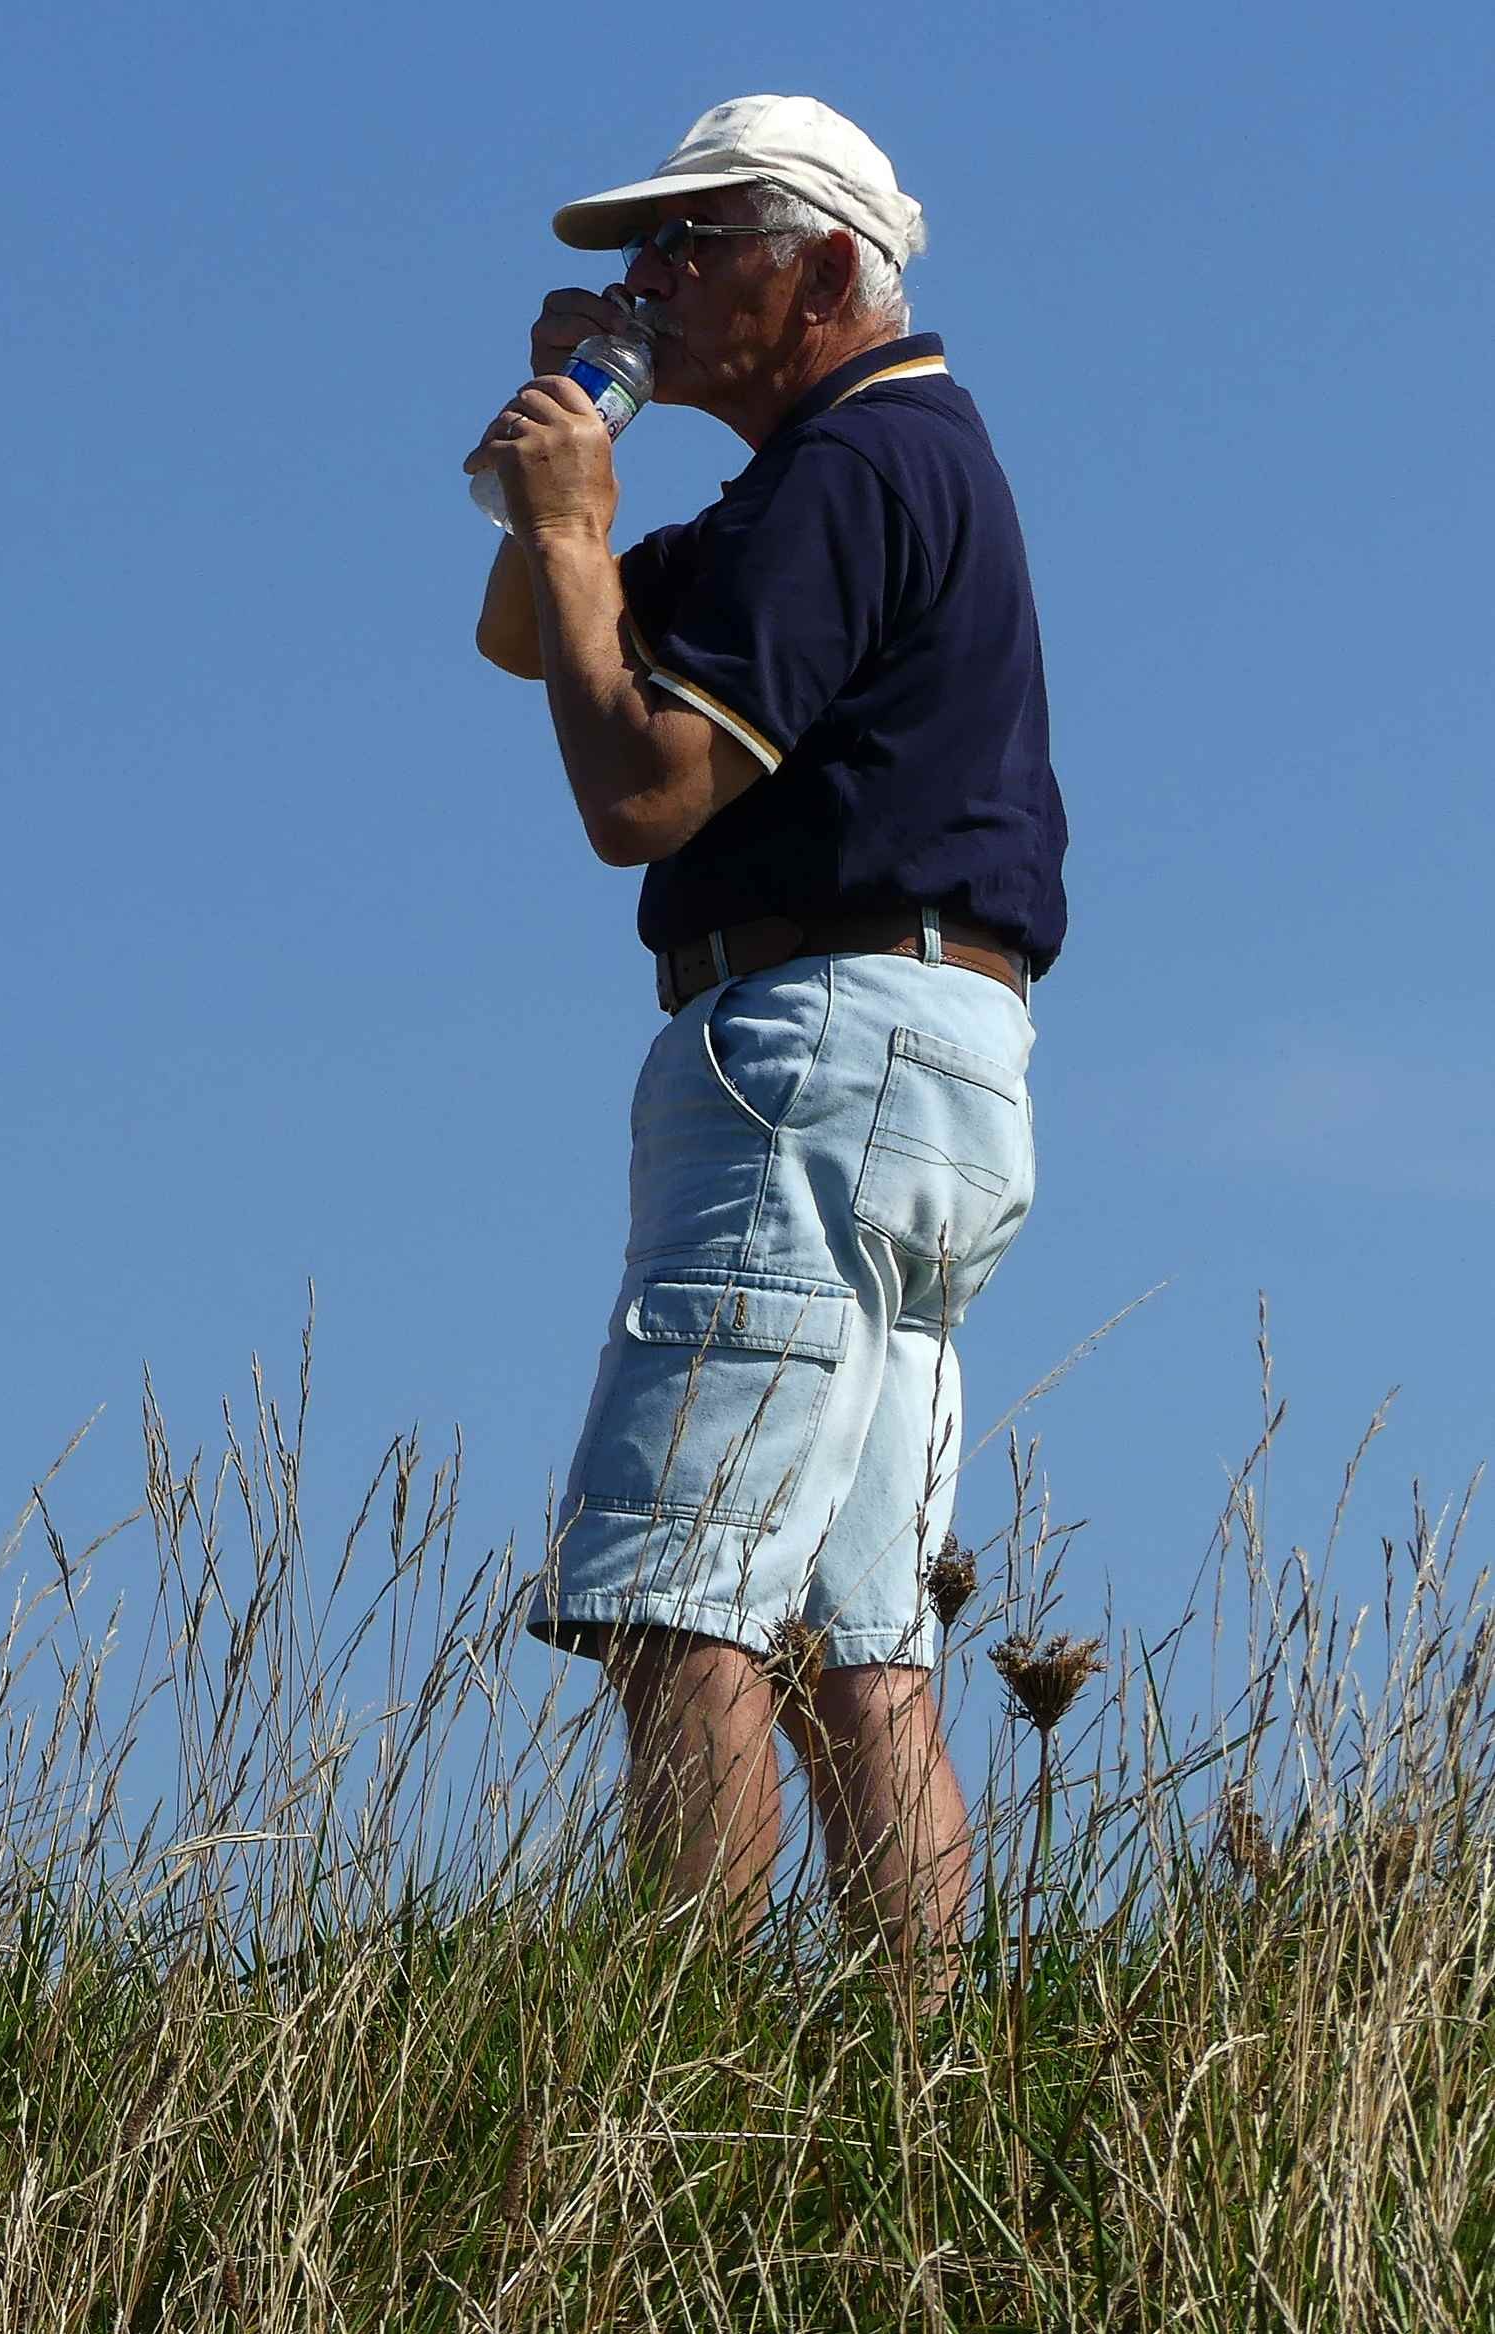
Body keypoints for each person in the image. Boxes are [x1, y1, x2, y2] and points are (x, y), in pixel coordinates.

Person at [462, 97, 1069, 1987]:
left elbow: (638, 789)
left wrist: (577, 522)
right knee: (855, 1641)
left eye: (688, 246)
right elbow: (527, 636)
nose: (643, 279)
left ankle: (678, 2076)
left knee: (678, 1605)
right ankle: (919, 2064)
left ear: (817, 271)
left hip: (811, 1047)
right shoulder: (864, 464)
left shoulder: (847, 477)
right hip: (931, 1057)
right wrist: (572, 482)